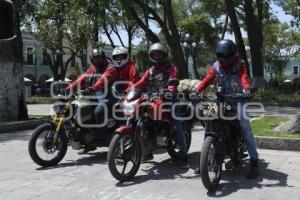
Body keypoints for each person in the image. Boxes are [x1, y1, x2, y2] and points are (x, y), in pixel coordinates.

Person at [194, 39, 260, 179]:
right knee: (210, 123)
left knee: (245, 127)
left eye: (227, 55)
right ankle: (206, 160)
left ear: (233, 54)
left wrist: (247, 89)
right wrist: (197, 91)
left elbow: (244, 78)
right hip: (220, 99)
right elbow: (207, 79)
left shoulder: (240, 64)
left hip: (238, 100)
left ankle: (254, 162)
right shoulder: (216, 66)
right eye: (221, 56)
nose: (225, 59)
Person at [130, 42, 188, 167]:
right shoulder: (150, 71)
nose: (157, 57)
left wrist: (170, 90)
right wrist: (130, 91)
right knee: (140, 120)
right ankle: (146, 152)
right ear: (152, 56)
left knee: (177, 125)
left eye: (159, 54)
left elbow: (173, 81)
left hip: (169, 100)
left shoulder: (171, 68)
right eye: (154, 55)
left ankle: (184, 154)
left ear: (164, 55)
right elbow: (140, 83)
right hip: (152, 99)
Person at [66, 48, 118, 154]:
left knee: (99, 112)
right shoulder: (92, 69)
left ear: (103, 58)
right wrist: (68, 88)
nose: (97, 60)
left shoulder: (111, 68)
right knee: (78, 111)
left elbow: (102, 80)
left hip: (108, 98)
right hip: (93, 97)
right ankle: (88, 140)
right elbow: (82, 79)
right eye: (95, 59)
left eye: (99, 58)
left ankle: (103, 137)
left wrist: (92, 88)